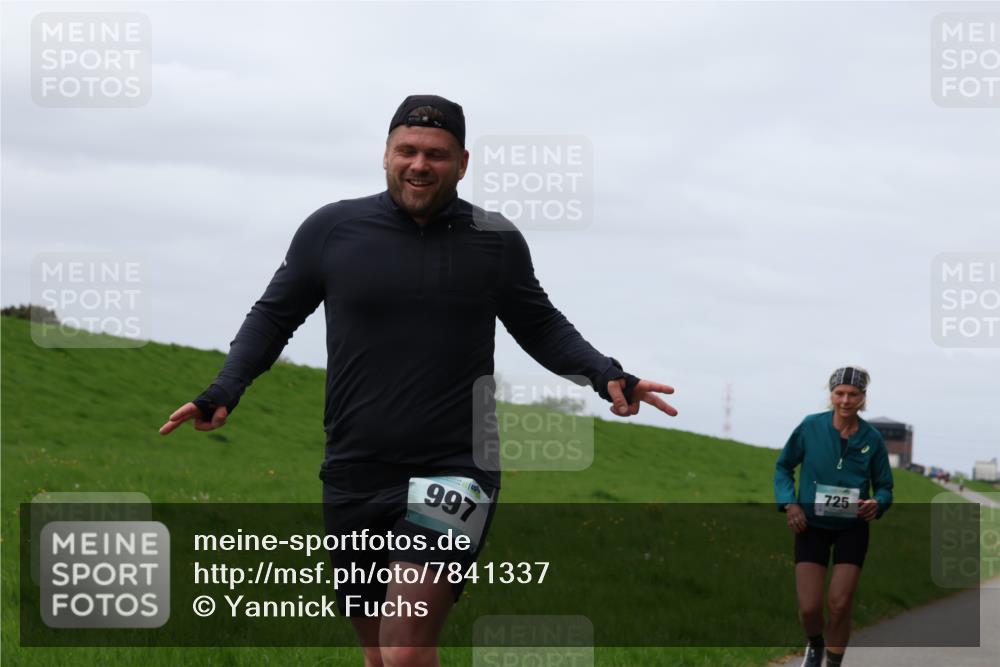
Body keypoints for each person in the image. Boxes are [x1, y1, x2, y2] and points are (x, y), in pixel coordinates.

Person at [159, 94, 678, 667]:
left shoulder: (494, 240)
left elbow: (541, 324)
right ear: (385, 155)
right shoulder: (332, 230)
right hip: (354, 469)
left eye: (436, 153)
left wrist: (608, 375)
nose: (419, 164)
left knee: (405, 648)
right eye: (406, 150)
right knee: (379, 655)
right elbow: (272, 317)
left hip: (456, 468)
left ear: (462, 162)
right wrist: (224, 389)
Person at [774, 366, 893, 667]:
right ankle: (815, 644)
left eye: (853, 394)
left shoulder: (873, 438)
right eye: (839, 393)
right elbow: (783, 467)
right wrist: (790, 504)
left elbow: (885, 487)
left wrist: (878, 503)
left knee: (839, 604)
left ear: (862, 398)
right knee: (810, 608)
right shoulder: (810, 427)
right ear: (831, 395)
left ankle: (833, 662)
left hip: (851, 528)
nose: (845, 400)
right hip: (811, 525)